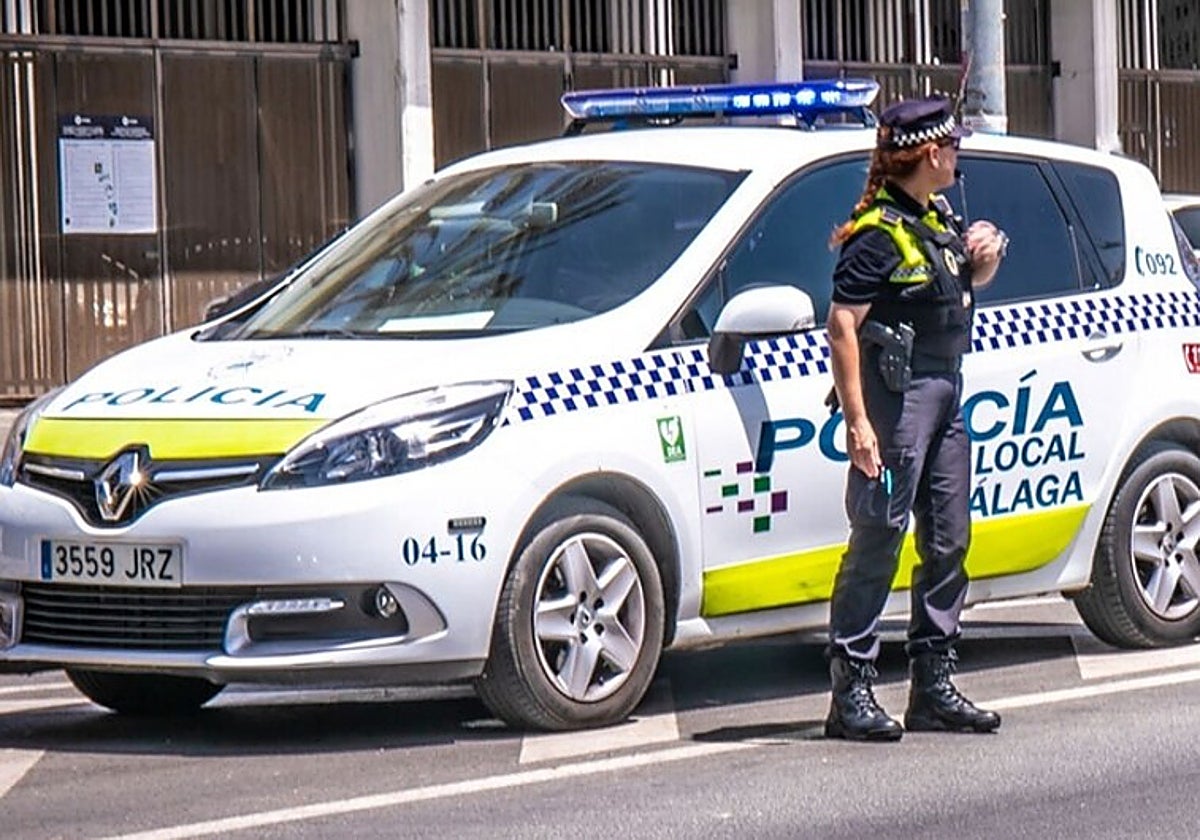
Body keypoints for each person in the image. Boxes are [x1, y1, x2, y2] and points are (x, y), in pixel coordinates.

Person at [823, 97, 1007, 741]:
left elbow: (958, 284)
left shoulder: (936, 217)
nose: (957, 156)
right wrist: (858, 422)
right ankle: (851, 690)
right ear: (931, 154)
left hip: (945, 392)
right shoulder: (876, 231)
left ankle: (932, 685)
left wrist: (984, 252)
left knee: (949, 537)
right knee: (879, 536)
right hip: (896, 400)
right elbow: (843, 325)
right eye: (952, 147)